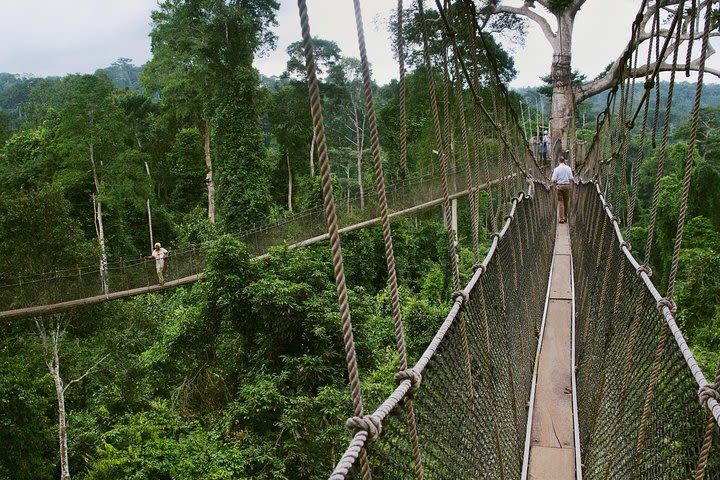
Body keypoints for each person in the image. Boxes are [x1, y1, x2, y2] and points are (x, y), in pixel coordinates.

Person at [552, 155, 574, 224]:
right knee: (566, 202)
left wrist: (553, 181)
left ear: (558, 161)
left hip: (559, 187)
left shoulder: (556, 169)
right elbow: (571, 178)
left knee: (560, 202)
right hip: (567, 186)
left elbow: (553, 179)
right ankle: (565, 217)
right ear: (564, 161)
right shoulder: (569, 168)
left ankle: (561, 219)